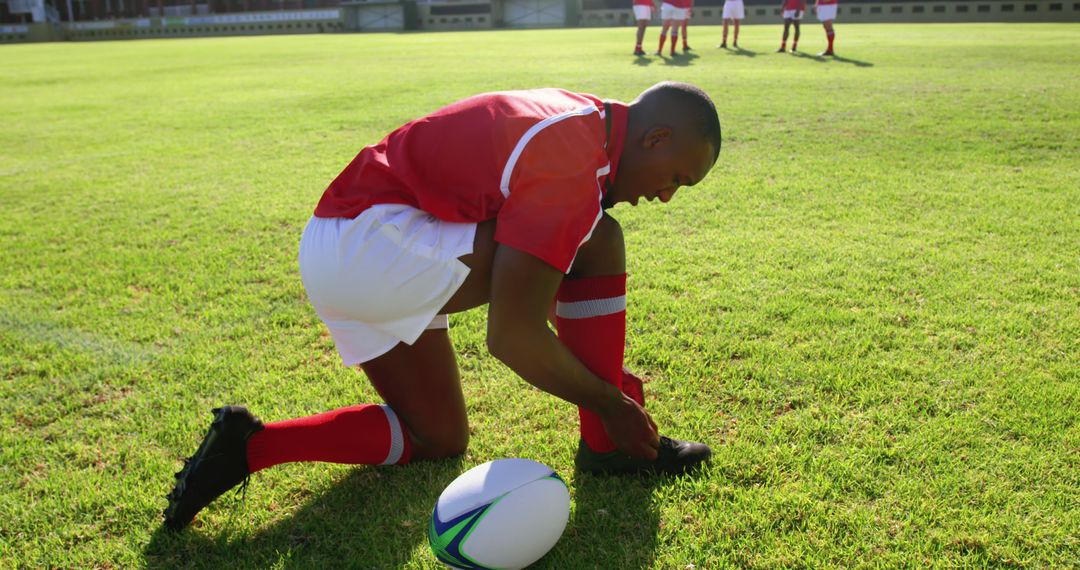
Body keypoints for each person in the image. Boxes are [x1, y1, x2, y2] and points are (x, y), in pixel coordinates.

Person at [162, 82, 721, 532]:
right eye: (676, 177)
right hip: (375, 244)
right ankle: (608, 444)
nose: (666, 195)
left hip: (337, 243)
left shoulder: (580, 118)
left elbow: (537, 271)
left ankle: (251, 445)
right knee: (599, 239)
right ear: (656, 137)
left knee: (438, 436)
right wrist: (613, 403)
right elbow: (513, 336)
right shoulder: (577, 159)